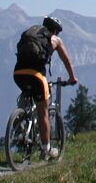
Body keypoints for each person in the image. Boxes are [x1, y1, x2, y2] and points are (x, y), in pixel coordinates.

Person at [13, 16, 78, 159]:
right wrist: (72, 78)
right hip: (37, 76)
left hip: (18, 74)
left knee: (27, 96)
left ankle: (19, 124)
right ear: (55, 30)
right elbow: (66, 60)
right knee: (43, 112)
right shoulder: (55, 39)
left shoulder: (31, 33)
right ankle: (46, 149)